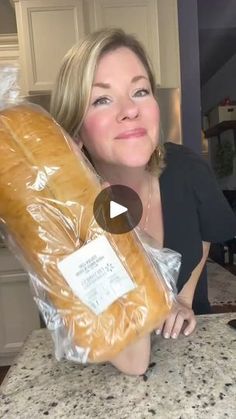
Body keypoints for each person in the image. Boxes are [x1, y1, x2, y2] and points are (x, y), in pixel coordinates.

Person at [50, 28, 236, 375]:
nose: (130, 110)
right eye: (101, 99)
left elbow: (204, 234)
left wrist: (183, 296)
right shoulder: (65, 221)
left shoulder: (187, 169)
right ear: (75, 130)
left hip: (198, 356)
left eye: (140, 91)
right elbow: (133, 364)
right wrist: (94, 210)